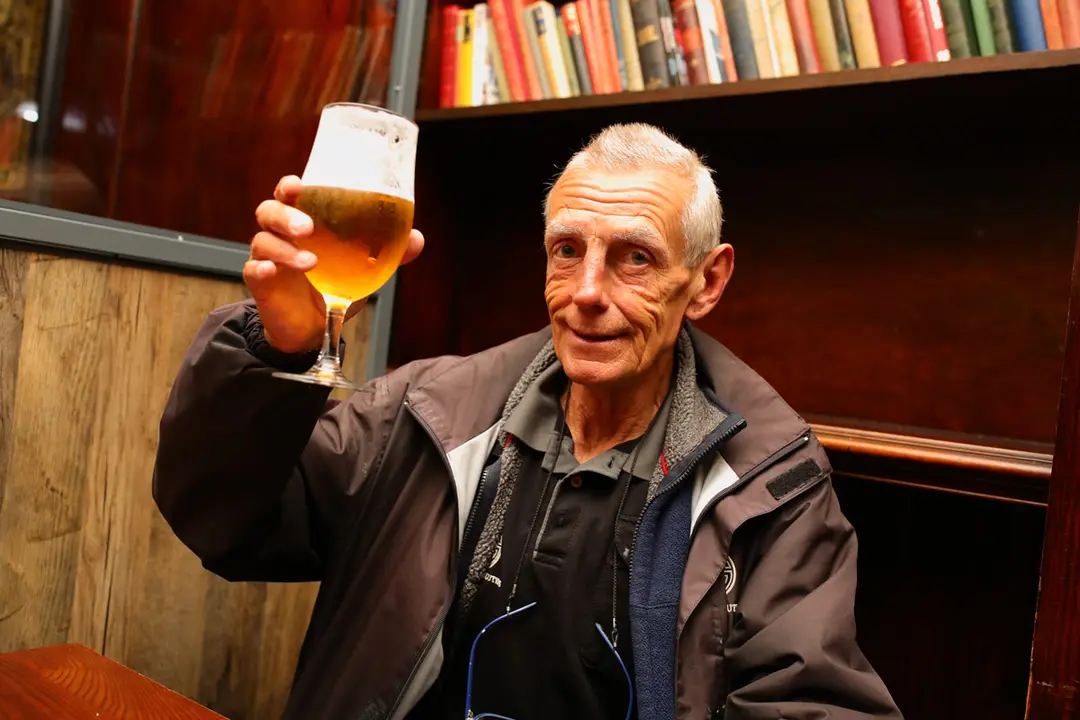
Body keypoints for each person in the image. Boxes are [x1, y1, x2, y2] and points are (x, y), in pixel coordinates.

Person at [153, 122, 903, 720]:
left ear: (706, 281)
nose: (586, 291)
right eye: (566, 250)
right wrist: (277, 352)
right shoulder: (428, 413)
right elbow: (227, 522)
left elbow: (810, 701)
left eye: (634, 258)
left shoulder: (773, 483)